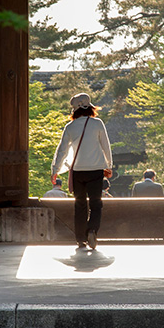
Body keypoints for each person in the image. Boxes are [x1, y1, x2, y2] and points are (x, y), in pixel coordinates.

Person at [51, 93, 113, 250]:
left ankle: (80, 239)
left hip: (78, 171)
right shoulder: (97, 123)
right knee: (96, 204)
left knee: (79, 205)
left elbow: (62, 151)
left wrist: (55, 170)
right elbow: (106, 145)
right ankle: (92, 229)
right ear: (91, 107)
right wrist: (109, 166)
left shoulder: (70, 127)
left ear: (74, 110)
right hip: (96, 171)